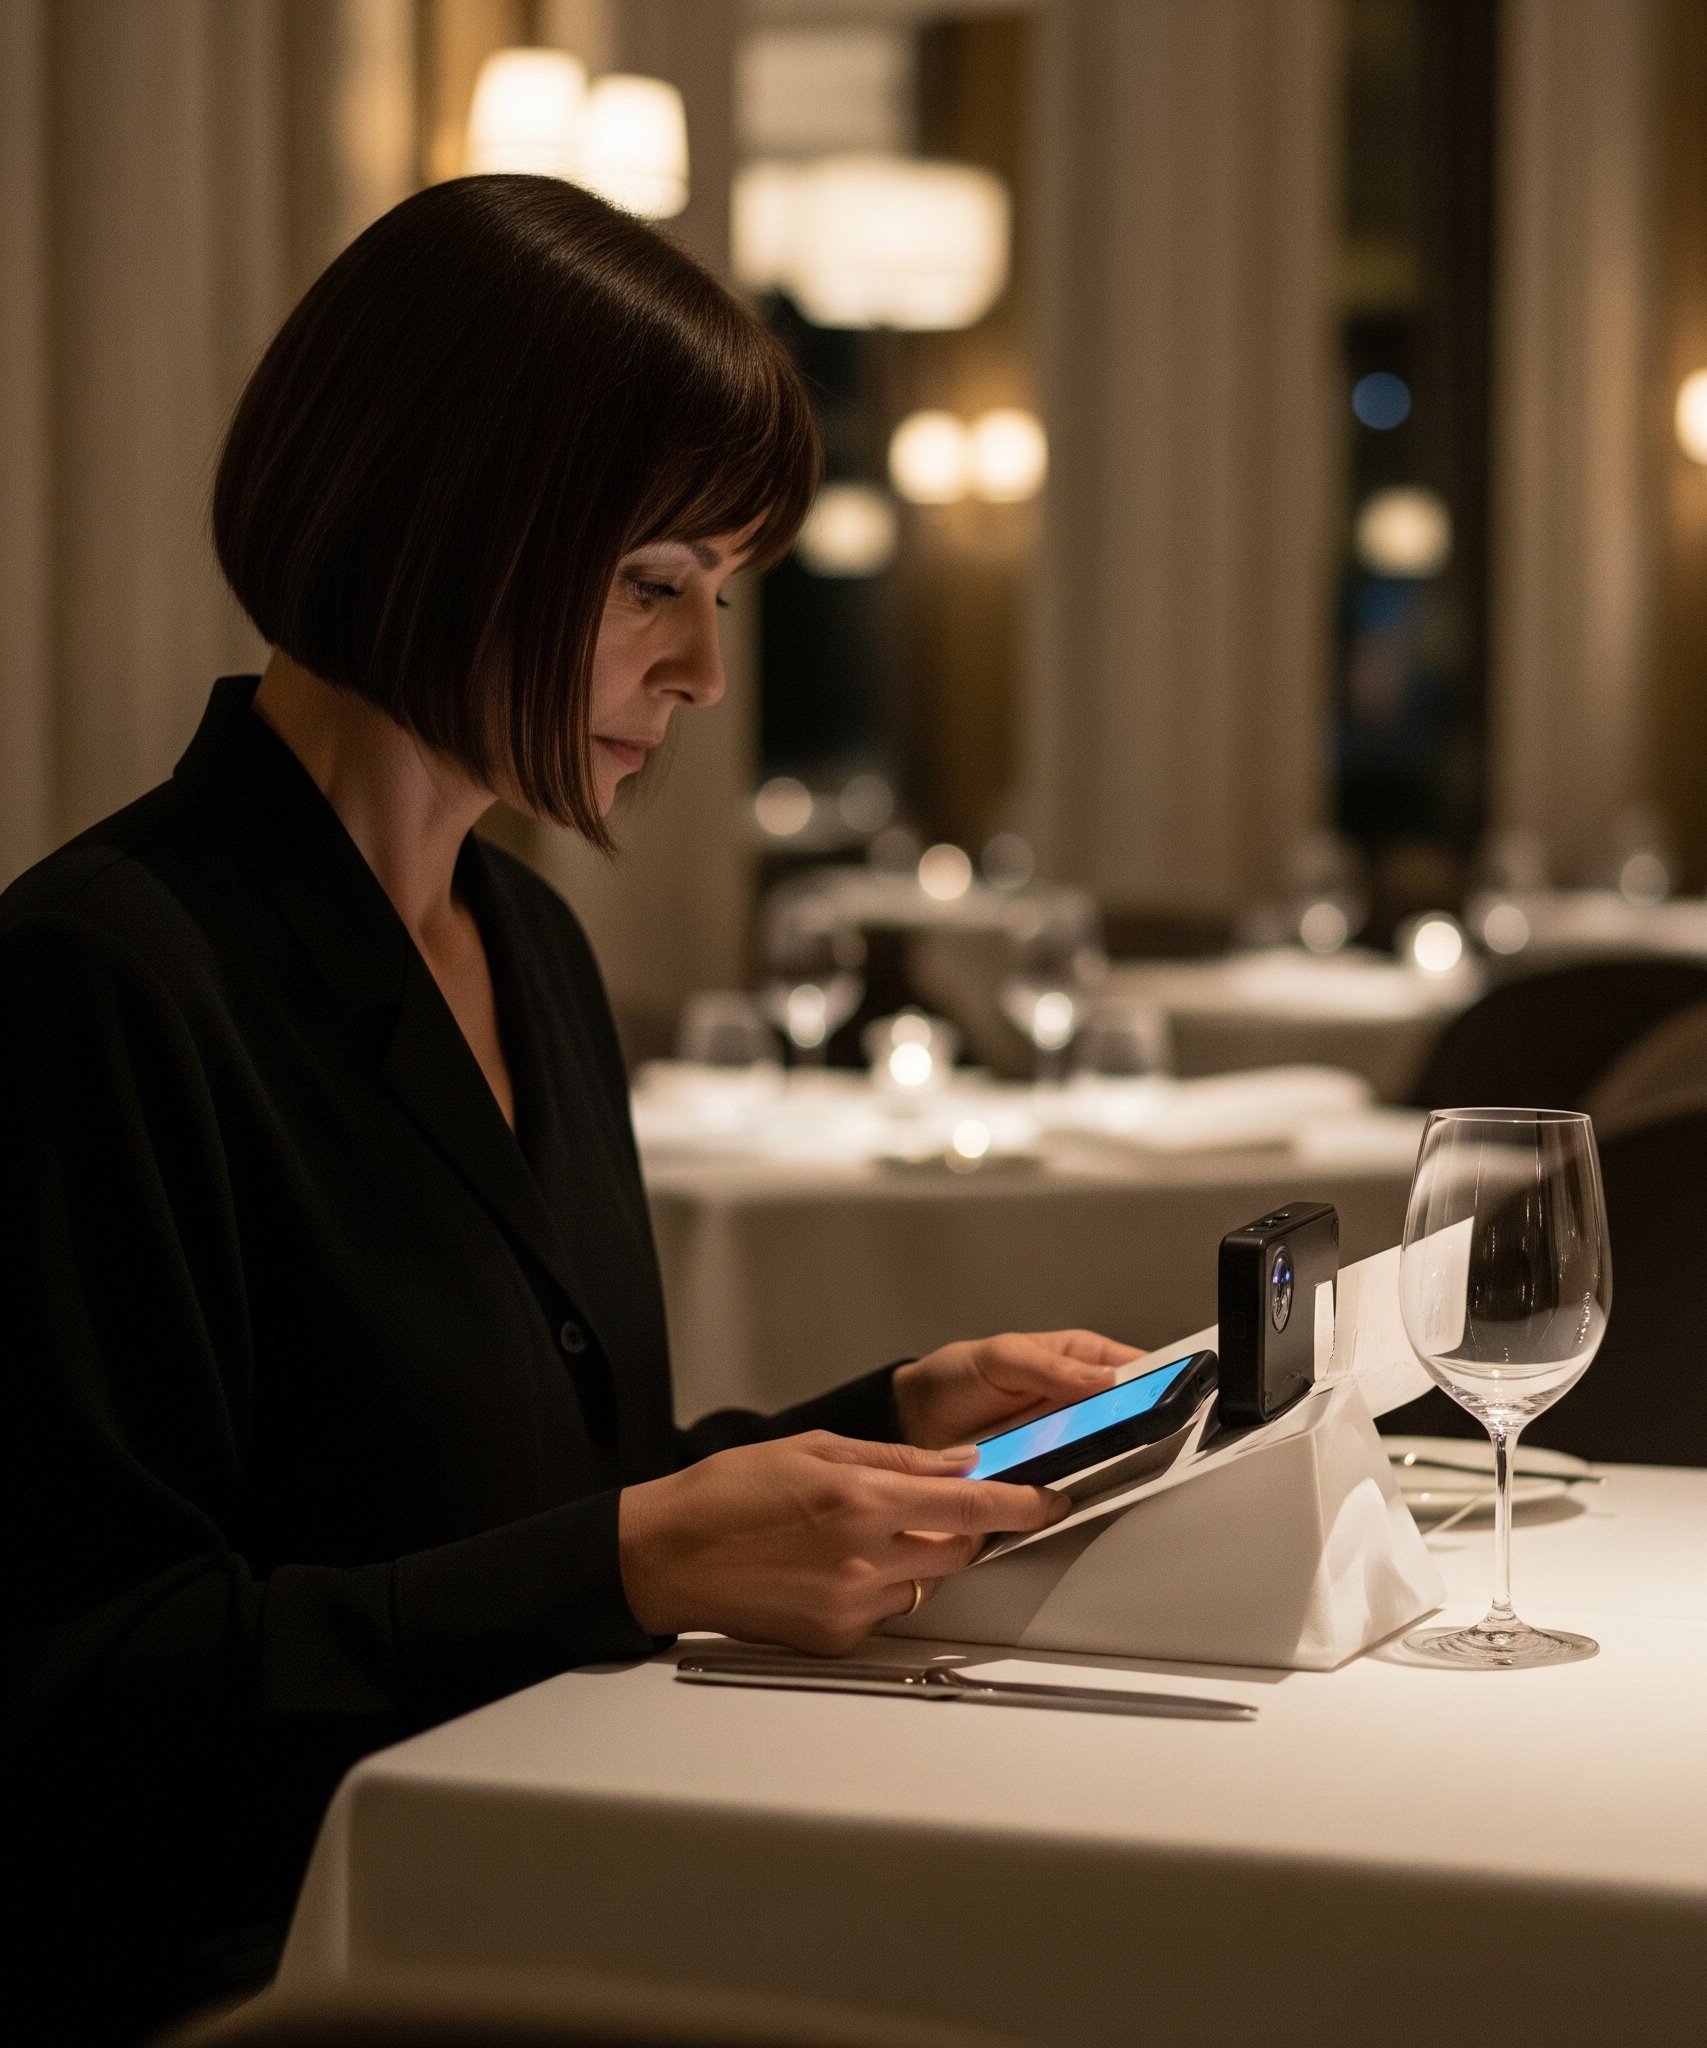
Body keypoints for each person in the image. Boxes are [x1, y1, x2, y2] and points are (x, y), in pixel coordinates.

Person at [0, 176, 1141, 2045]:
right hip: (291, 1977)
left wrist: (892, 1417)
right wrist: (632, 1559)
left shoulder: (526, 944)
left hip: (550, 1869)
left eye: (718, 595)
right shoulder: (101, 983)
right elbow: (89, 1693)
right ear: (447, 523)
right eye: (652, 583)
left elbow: (526, 1500)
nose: (699, 672)